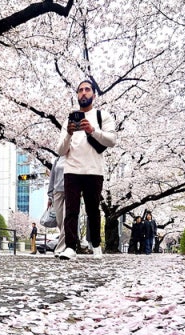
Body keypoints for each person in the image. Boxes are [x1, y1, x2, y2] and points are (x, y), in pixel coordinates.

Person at [55, 79, 117, 259]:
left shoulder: (102, 116)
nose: (83, 93)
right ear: (77, 95)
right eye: (80, 90)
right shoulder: (69, 119)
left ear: (94, 95)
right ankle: (70, 247)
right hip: (71, 170)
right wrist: (68, 133)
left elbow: (111, 140)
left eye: (87, 90)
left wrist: (92, 130)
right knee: (71, 210)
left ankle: (96, 244)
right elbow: (60, 150)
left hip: (94, 170)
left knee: (93, 210)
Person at [46, 156, 66, 257]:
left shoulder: (76, 157)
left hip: (71, 191)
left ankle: (60, 248)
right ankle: (67, 245)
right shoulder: (58, 160)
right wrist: (50, 197)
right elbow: (52, 178)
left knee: (68, 219)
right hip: (57, 192)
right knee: (59, 220)